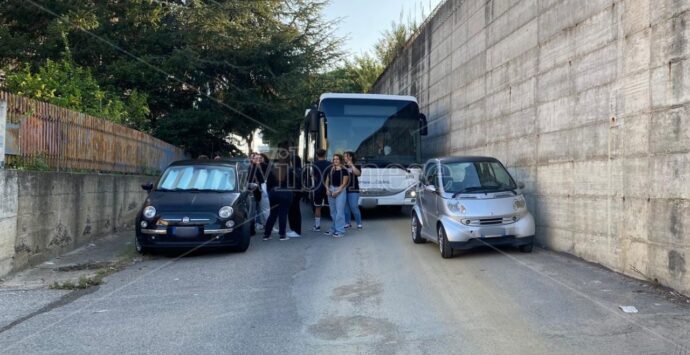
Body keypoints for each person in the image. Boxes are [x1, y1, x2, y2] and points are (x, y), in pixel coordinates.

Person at [262, 156, 294, 241]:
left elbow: (268, 185)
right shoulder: (289, 170)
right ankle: (282, 235)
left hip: (274, 193)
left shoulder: (272, 170)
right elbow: (294, 182)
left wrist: (271, 193)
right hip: (286, 192)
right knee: (283, 213)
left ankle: (266, 234)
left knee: (273, 214)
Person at [324, 153, 349, 238]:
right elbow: (327, 181)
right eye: (334, 159)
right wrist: (327, 189)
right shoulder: (330, 169)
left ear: (340, 160)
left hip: (340, 190)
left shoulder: (344, 170)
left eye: (337, 159)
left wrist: (337, 192)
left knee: (339, 212)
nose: (335, 160)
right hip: (331, 189)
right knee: (333, 212)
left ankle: (340, 231)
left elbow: (344, 183)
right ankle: (334, 228)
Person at [311, 149, 330, 232]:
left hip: (318, 187)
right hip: (327, 187)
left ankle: (317, 226)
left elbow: (313, 175)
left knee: (317, 207)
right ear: (325, 155)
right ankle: (333, 227)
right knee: (331, 207)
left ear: (316, 155)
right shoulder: (329, 164)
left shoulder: (314, 164)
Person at [343, 151, 363, 230]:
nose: (344, 158)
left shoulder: (356, 165)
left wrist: (351, 165)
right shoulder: (342, 166)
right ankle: (347, 223)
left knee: (354, 207)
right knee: (346, 208)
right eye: (344, 156)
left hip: (353, 189)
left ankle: (359, 223)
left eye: (346, 156)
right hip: (344, 189)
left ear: (350, 157)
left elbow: (358, 173)